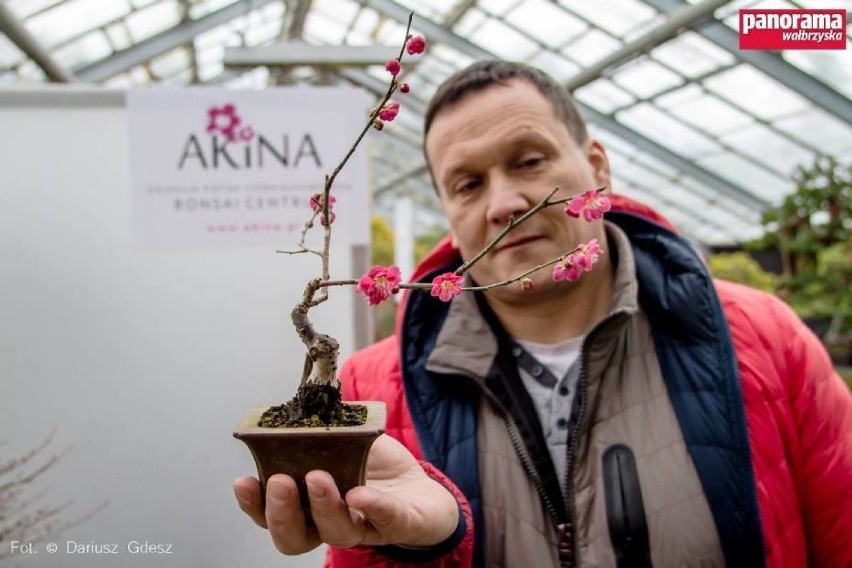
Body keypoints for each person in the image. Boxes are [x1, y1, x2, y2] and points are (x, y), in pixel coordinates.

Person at [233, 61, 852, 567]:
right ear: (447, 207)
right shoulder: (372, 389)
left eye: (529, 161)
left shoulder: (764, 339)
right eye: (468, 184)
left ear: (598, 168)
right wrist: (424, 546)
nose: (505, 203)